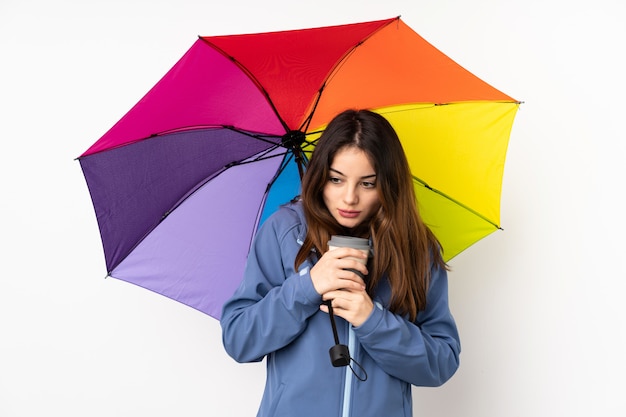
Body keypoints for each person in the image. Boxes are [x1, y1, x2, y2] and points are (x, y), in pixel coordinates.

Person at [221, 109, 461, 417]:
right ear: (320, 176)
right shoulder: (284, 232)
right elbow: (240, 339)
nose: (349, 198)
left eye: (367, 183)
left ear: (388, 184)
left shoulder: (416, 249)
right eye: (336, 179)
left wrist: (372, 320)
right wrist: (307, 287)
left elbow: (441, 363)